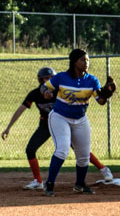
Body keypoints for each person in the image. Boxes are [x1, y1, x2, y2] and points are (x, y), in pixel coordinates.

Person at [2, 65, 113, 190]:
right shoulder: (35, 94)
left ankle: (103, 169)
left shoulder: (61, 91)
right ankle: (38, 181)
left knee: (80, 150)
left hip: (63, 124)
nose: (47, 81)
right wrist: (8, 128)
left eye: (50, 78)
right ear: (40, 80)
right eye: (44, 79)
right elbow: (21, 109)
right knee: (30, 149)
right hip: (45, 126)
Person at [41, 49, 113, 197]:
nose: (86, 63)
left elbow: (100, 101)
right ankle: (49, 184)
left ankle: (80, 184)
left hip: (80, 119)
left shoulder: (92, 80)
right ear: (74, 62)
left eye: (87, 60)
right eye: (82, 60)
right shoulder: (62, 77)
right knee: (62, 149)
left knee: (84, 155)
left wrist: (107, 94)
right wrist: (45, 92)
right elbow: (44, 87)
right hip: (60, 117)